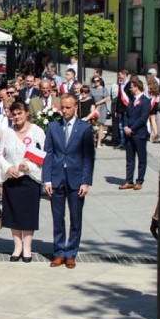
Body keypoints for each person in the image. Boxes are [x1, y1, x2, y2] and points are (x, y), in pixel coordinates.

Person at [43, 93, 95, 268]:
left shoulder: (84, 128)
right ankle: (59, 252)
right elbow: (48, 154)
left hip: (76, 178)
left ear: (75, 108)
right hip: (57, 178)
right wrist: (47, 180)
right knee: (58, 217)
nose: (64, 111)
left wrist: (85, 181)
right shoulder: (53, 127)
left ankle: (71, 252)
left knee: (75, 217)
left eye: (68, 107)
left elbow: (88, 157)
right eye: (62, 107)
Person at [0, 102, 45, 262]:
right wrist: (8, 167)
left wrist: (29, 165)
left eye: (19, 113)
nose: (17, 117)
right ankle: (17, 246)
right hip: (12, 178)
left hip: (30, 179)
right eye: (14, 114)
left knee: (28, 213)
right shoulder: (8, 132)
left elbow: (43, 153)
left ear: (26, 113)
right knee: (13, 213)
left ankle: (27, 247)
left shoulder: (37, 131)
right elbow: (0, 154)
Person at [120, 79, 151, 191]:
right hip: (129, 134)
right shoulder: (132, 100)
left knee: (141, 158)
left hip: (139, 134)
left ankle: (139, 181)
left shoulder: (145, 101)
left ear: (137, 87)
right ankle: (129, 181)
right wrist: (125, 126)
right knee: (130, 158)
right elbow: (127, 114)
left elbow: (143, 118)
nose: (130, 89)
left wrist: (132, 129)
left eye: (131, 87)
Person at [89, 75, 109, 148]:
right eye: (94, 81)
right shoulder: (91, 90)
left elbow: (106, 98)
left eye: (98, 80)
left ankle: (99, 142)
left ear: (100, 81)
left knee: (101, 125)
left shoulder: (104, 89)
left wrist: (97, 103)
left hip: (102, 108)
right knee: (94, 124)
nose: (96, 82)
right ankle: (93, 140)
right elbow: (89, 98)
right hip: (93, 108)